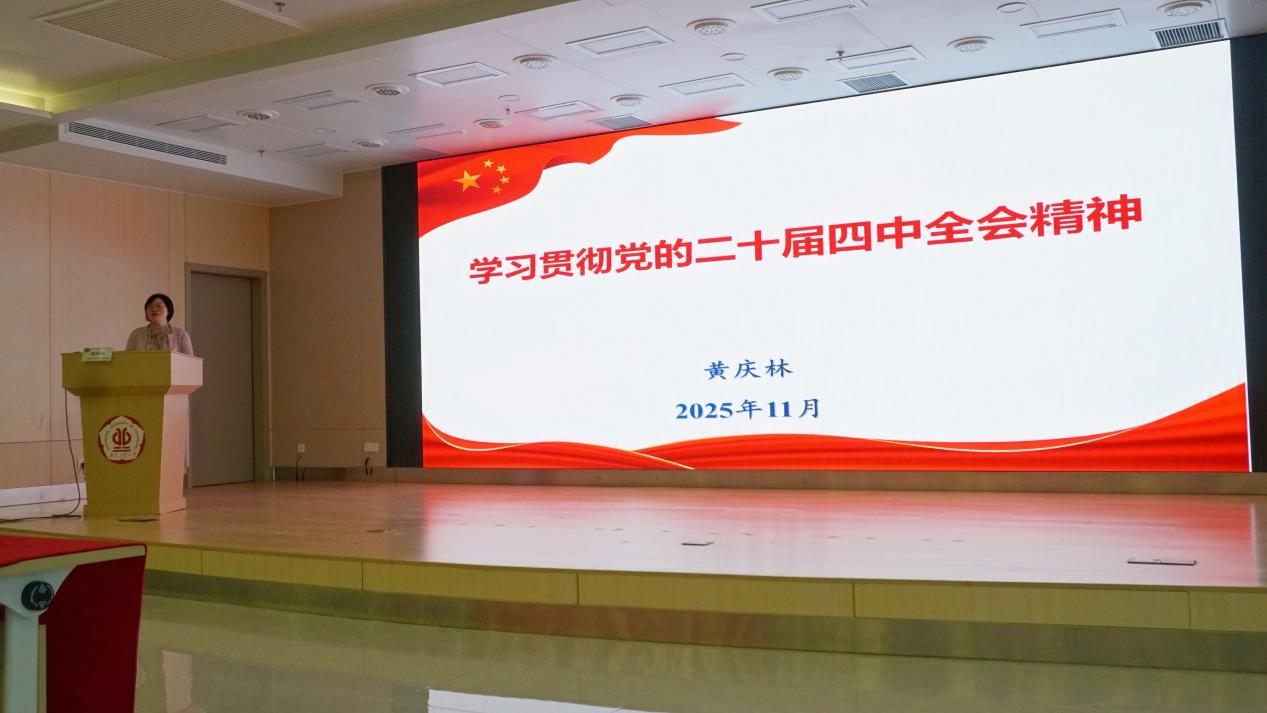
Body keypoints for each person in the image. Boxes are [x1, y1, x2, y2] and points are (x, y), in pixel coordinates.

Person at [126, 293, 194, 355]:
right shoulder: (136, 334)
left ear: (168, 310)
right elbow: (127, 360)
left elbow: (191, 362)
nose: (154, 309)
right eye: (150, 306)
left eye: (158, 306)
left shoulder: (180, 334)